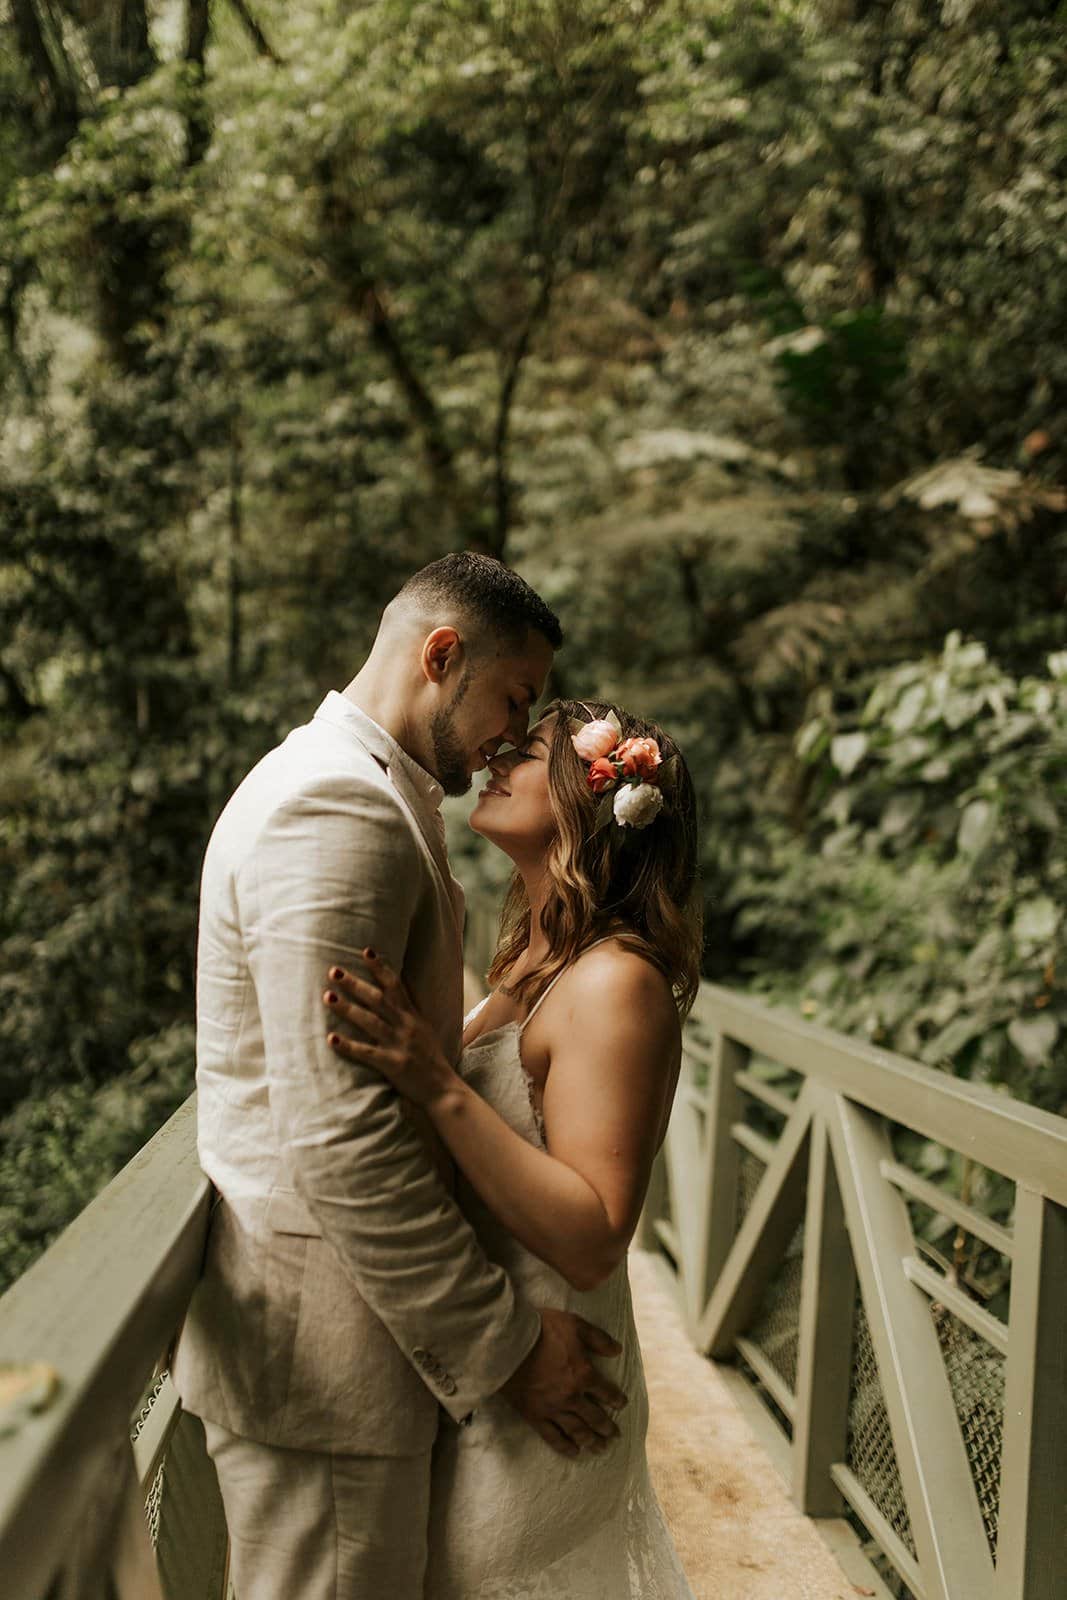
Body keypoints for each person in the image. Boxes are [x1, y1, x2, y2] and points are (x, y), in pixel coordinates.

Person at [172, 556, 629, 1600]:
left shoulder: (363, 790)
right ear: (440, 655)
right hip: (324, 1363)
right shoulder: (333, 808)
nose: (512, 736)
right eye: (512, 699)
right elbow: (339, 1138)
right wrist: (506, 1346)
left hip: (346, 1352)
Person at [323, 698, 701, 1597]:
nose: (496, 758)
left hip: (552, 1391)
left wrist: (437, 1081)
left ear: (587, 798)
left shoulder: (614, 985)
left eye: (526, 752)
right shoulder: (540, 961)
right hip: (499, 1366)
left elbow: (594, 1233)